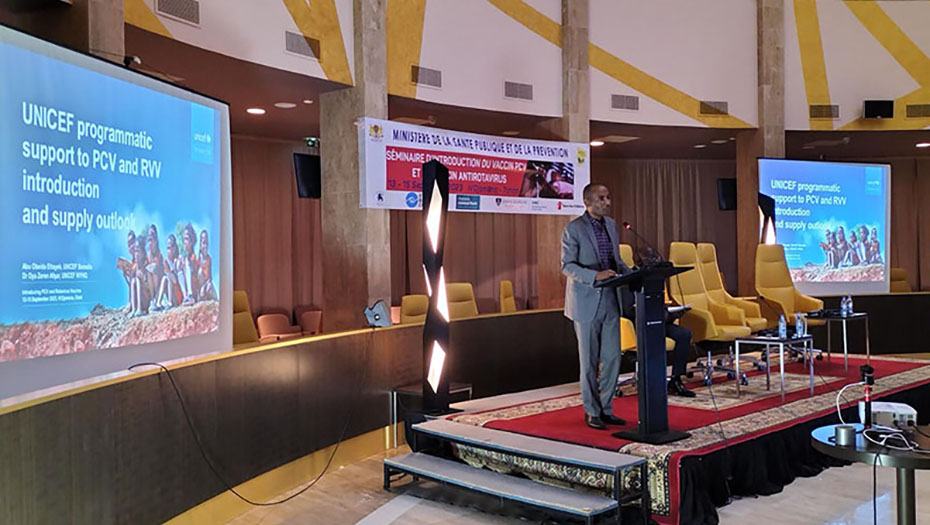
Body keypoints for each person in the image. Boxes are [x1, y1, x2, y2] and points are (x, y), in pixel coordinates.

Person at [561, 183, 631, 430]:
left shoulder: (611, 225)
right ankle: (592, 412)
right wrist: (595, 276)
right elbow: (567, 266)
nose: (607, 202)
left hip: (611, 299)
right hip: (586, 301)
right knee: (588, 361)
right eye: (602, 198)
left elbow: (616, 260)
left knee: (612, 357)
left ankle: (606, 408)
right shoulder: (574, 229)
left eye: (608, 197)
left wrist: (632, 274)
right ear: (587, 201)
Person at [197, 229, 217, 301]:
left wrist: (207, 285)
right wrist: (201, 287)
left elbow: (210, 277)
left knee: (210, 288)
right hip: (199, 288)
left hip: (207, 286)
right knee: (199, 271)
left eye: (206, 242)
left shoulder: (209, 259)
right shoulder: (197, 258)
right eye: (203, 242)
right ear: (200, 245)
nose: (205, 245)